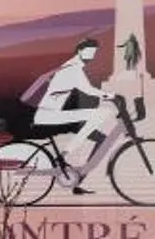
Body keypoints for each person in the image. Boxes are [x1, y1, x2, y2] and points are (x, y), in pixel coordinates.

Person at [23, 37, 119, 190]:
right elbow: (88, 90)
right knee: (102, 113)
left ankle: (77, 180)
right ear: (80, 51)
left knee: (101, 139)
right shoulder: (72, 69)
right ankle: (65, 153)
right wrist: (113, 96)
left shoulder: (72, 67)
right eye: (89, 51)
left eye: (94, 52)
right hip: (49, 116)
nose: (92, 55)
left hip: (53, 114)